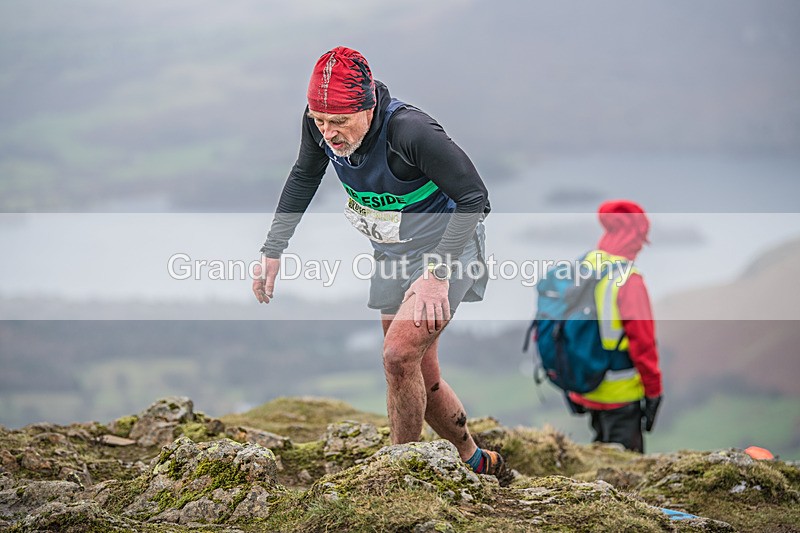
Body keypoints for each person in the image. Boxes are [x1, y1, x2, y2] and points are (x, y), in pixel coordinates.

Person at [252, 47, 504, 478]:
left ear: (368, 107)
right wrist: (273, 248)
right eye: (319, 121)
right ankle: (478, 461)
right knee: (418, 372)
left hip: (449, 247)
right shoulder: (320, 123)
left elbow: (475, 198)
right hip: (393, 252)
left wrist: (436, 275)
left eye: (339, 122)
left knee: (397, 355)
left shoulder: (410, 131)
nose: (328, 133)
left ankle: (397, 472)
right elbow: (304, 175)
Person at [567, 200, 663, 453]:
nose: (642, 246)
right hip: (620, 395)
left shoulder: (583, 265)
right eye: (642, 238)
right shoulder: (629, 280)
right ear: (635, 236)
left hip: (586, 385)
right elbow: (643, 344)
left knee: (599, 459)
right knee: (624, 475)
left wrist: (570, 384)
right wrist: (654, 392)